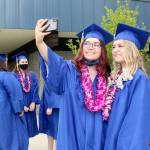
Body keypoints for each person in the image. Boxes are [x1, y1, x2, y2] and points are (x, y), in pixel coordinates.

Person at [35, 19, 113, 150]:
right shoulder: (70, 70)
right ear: (82, 48)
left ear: (102, 50)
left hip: (98, 139)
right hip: (72, 136)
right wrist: (39, 42)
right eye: (87, 43)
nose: (90, 47)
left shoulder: (107, 79)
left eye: (96, 44)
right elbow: (53, 60)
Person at [103, 23, 150, 150]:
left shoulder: (139, 78)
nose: (115, 49)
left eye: (120, 46)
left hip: (124, 144)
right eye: (113, 46)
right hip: (109, 139)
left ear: (131, 49)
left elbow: (137, 121)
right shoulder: (114, 78)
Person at [0, 54, 29, 150]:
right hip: (7, 113)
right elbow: (15, 93)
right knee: (11, 138)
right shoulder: (6, 76)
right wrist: (19, 109)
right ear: (3, 63)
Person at [12, 52, 40, 137]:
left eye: (26, 62)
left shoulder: (32, 75)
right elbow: (14, 92)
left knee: (30, 132)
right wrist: (21, 105)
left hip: (31, 107)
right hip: (21, 107)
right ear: (18, 64)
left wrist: (33, 102)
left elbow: (35, 89)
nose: (24, 64)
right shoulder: (14, 76)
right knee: (21, 132)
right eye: (22, 62)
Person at [39, 54, 60, 150]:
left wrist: (51, 106)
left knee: (56, 129)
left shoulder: (56, 73)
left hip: (54, 108)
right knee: (49, 129)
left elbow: (57, 90)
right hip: (47, 105)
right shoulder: (47, 74)